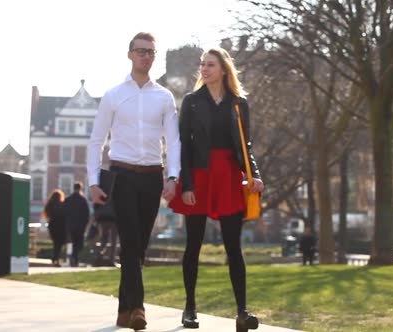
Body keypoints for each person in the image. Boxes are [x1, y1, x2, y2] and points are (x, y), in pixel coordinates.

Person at [87, 32, 180, 330]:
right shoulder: (113, 96)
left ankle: (123, 308)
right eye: (140, 51)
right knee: (129, 241)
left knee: (138, 246)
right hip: (123, 176)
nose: (146, 56)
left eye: (151, 52)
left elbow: (174, 142)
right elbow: (96, 141)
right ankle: (138, 308)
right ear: (130, 55)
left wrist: (173, 176)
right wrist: (93, 182)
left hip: (153, 177)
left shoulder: (164, 97)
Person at [168, 48, 264, 331]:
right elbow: (182, 145)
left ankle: (242, 312)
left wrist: (254, 175)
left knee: (234, 247)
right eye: (202, 65)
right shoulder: (192, 101)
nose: (204, 69)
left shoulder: (238, 103)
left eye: (210, 65)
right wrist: (186, 184)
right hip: (199, 175)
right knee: (193, 245)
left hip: (229, 176)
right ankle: (189, 309)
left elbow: (245, 146)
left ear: (224, 69)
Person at [63, 181, 90, 267]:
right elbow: (86, 214)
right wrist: (85, 224)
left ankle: (75, 259)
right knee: (80, 244)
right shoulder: (83, 200)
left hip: (70, 225)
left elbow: (64, 212)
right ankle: (74, 257)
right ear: (80, 188)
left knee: (74, 242)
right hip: (80, 226)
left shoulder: (68, 199)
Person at [42, 189, 66, 267]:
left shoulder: (49, 204)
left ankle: (55, 258)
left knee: (56, 243)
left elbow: (47, 215)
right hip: (60, 226)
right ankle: (56, 259)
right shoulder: (62, 204)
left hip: (52, 226)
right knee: (59, 244)